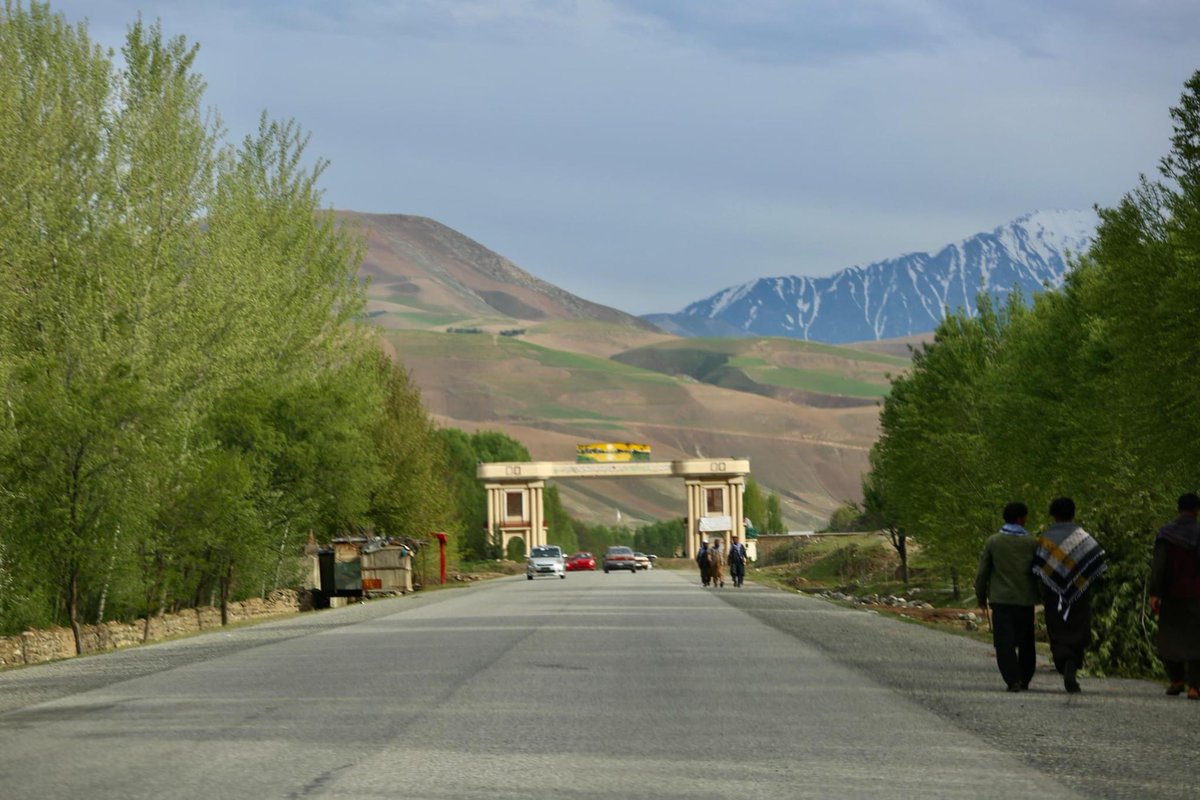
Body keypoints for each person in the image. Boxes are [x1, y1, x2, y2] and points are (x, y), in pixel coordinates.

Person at [1032, 497, 1107, 693]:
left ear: (1053, 515)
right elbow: (1097, 561)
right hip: (1079, 593)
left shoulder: (1046, 538)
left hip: (1053, 594)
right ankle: (1072, 663)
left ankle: (1063, 661)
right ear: (1073, 513)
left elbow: (1038, 567)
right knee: (1078, 626)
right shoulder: (1083, 537)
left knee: (1057, 628)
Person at [974, 501, 1041, 692]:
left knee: (1005, 642)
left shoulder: (993, 541)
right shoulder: (1032, 542)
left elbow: (983, 572)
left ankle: (1012, 680)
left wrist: (981, 596)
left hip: (1001, 600)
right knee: (1027, 641)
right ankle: (1025, 678)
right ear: (1021, 518)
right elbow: (1038, 572)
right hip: (1025, 600)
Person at [1149, 492, 1200, 699]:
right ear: (1197, 511)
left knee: (1169, 637)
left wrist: (1155, 593)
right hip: (1197, 595)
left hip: (1172, 594)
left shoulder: (1166, 534)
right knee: (1197, 640)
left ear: (1178, 508)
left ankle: (1176, 679)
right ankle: (1194, 687)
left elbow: (1159, 567)